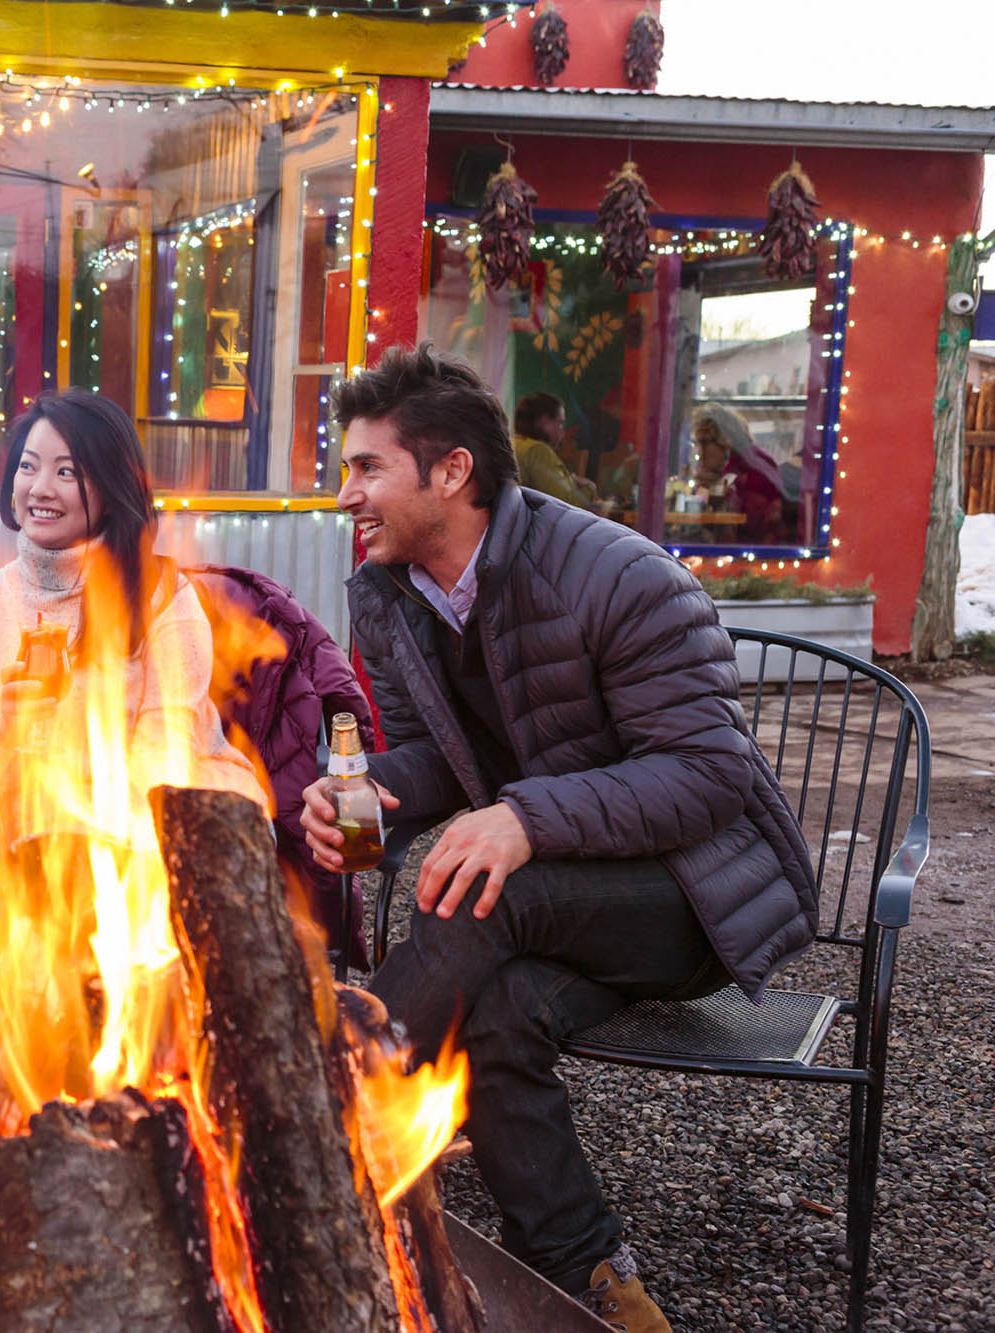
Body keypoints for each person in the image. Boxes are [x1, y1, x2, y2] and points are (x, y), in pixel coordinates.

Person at [302, 345, 812, 1333]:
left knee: (495, 891)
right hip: (556, 905)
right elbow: (429, 755)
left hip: (689, 896)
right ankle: (587, 1279)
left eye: (366, 467)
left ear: (450, 471)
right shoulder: (390, 591)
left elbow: (707, 777)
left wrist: (525, 817)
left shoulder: (620, 576)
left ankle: (334, 1093)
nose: (344, 491)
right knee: (494, 1008)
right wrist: (356, 795)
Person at [0, 388, 263, 807]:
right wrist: (6, 736)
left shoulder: (162, 593)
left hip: (178, 808)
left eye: (66, 472)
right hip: (28, 817)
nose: (40, 489)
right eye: (27, 467)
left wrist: (87, 837)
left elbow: (165, 750)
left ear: (110, 491)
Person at [690, 402, 789, 544]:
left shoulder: (753, 469)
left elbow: (748, 523)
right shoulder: (726, 470)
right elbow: (699, 509)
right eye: (697, 444)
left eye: (705, 443)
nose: (700, 452)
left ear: (726, 441)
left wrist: (714, 491)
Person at [510, 392, 592, 508]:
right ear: (544, 421)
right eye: (560, 423)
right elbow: (566, 505)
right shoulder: (538, 451)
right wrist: (588, 487)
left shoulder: (512, 443)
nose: (562, 430)